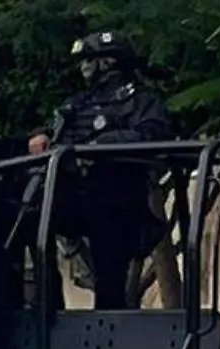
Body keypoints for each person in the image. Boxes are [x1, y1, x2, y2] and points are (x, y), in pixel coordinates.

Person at [27, 31, 171, 309]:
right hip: (75, 195)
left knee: (110, 272)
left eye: (88, 61)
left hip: (118, 199)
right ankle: (47, 299)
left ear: (107, 62)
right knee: (29, 216)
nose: (83, 68)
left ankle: (109, 325)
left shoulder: (140, 101)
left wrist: (102, 146)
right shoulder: (77, 103)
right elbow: (57, 133)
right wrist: (42, 135)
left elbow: (153, 137)